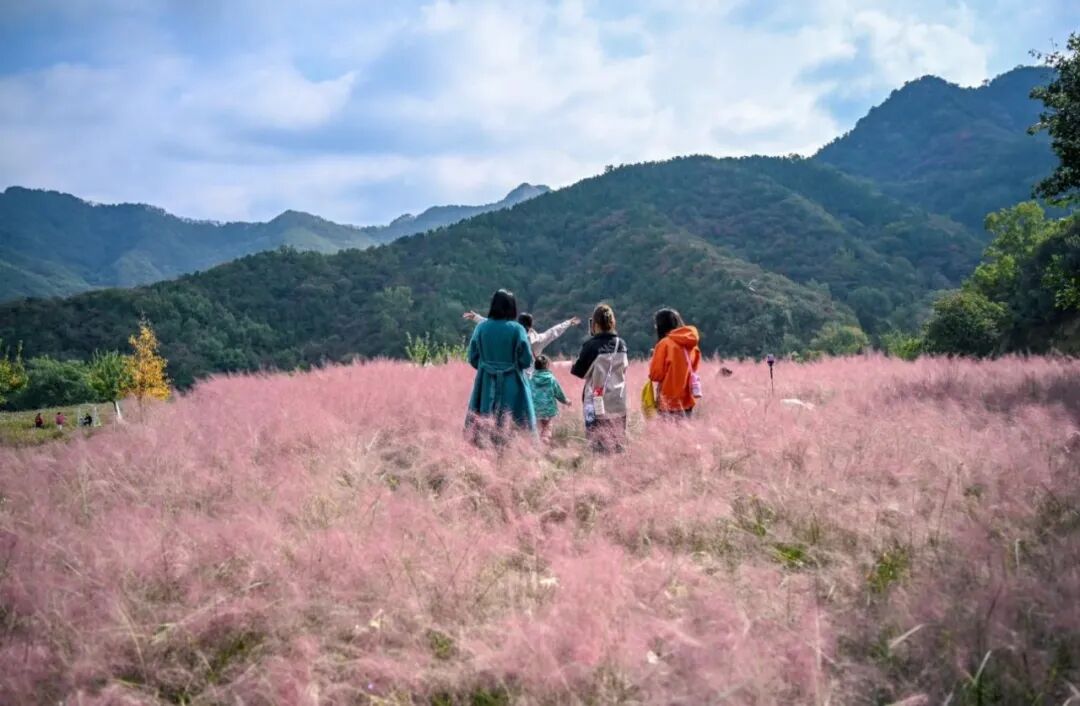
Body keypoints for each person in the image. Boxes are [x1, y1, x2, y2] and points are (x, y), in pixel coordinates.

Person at [465, 289, 537, 445]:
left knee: (484, 425)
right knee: (515, 425)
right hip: (513, 382)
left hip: (485, 383)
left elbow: (472, 357)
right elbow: (526, 360)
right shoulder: (517, 329)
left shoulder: (481, 328)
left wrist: (486, 367)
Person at [571, 304, 629, 453]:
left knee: (596, 443)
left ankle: (598, 470)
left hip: (596, 401)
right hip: (618, 399)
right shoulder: (621, 344)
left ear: (595, 324)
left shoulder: (591, 346)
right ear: (612, 322)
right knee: (617, 441)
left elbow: (578, 371)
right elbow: (624, 369)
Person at [463, 310, 580, 376]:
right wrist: (568, 323)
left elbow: (492, 325)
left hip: (511, 376)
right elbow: (554, 332)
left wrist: (476, 317)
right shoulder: (538, 340)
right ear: (530, 326)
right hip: (530, 378)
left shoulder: (510, 333)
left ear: (518, 323)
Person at [648, 308, 702, 418]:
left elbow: (656, 375)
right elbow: (694, 367)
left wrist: (653, 359)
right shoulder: (692, 343)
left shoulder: (664, 344)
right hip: (688, 399)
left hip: (668, 401)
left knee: (667, 435)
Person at [529, 355, 570, 442]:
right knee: (547, 427)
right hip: (549, 409)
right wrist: (565, 400)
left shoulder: (531, 378)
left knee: (538, 428)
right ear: (547, 366)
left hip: (536, 409)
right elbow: (558, 393)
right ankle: (545, 440)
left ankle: (537, 444)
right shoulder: (551, 379)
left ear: (535, 366)